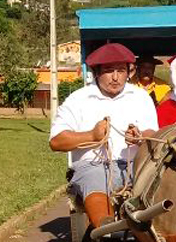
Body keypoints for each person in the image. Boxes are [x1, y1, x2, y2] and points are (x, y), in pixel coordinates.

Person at [49, 43, 158, 228]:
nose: (115, 77)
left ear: (129, 72)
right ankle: (107, 229)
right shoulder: (78, 99)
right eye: (109, 70)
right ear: (96, 72)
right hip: (93, 165)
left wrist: (140, 137)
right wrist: (91, 136)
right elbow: (56, 141)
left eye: (121, 70)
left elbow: (153, 133)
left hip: (135, 166)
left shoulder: (141, 97)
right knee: (95, 177)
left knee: (159, 178)